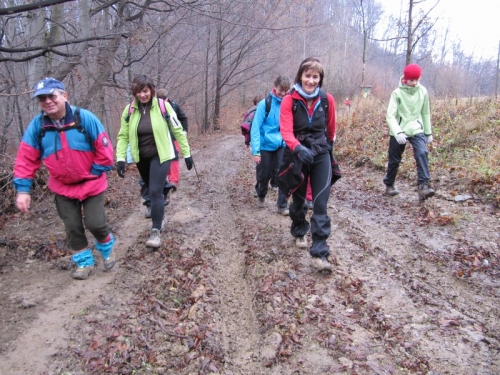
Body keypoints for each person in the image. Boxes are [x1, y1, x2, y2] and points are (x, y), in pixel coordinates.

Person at [13, 77, 116, 280]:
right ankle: (84, 262)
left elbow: (105, 152)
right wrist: (23, 190)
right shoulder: (38, 127)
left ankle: (107, 249)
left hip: (91, 184)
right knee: (72, 226)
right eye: (42, 98)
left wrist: (93, 172)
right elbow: (26, 158)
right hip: (62, 187)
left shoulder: (84, 118)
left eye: (52, 96)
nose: (48, 101)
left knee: (95, 223)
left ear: (64, 96)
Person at [116, 75, 193, 248]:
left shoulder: (163, 106)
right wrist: (120, 158)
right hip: (141, 157)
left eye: (145, 91)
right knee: (152, 189)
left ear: (152, 90)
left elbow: (178, 129)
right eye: (139, 92)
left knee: (155, 190)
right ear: (134, 93)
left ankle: (156, 231)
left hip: (161, 154)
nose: (142, 95)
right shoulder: (129, 111)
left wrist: (187, 154)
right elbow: (122, 136)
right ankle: (163, 195)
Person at [280, 57, 336, 272]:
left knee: (320, 204)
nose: (311, 81)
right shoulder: (289, 100)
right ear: (300, 76)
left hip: (321, 153)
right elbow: (285, 130)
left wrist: (328, 148)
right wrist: (297, 147)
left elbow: (331, 128)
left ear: (320, 79)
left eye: (315, 77)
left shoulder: (326, 99)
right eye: (307, 76)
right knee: (299, 202)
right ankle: (299, 228)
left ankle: (320, 253)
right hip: (297, 153)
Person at [383, 63, 435, 201]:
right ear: (405, 79)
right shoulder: (397, 93)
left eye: (417, 79)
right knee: (394, 159)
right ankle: (389, 185)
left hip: (417, 129)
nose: (415, 83)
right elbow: (390, 115)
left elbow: (425, 112)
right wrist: (397, 132)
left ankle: (423, 186)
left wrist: (428, 133)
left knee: (422, 152)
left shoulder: (423, 91)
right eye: (412, 80)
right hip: (399, 130)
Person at [139, 88, 187, 217]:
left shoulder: (173, 106)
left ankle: (171, 183)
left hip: (170, 140)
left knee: (174, 160)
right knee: (146, 180)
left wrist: (184, 132)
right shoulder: (140, 108)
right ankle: (159, 193)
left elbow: (182, 119)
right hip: (147, 149)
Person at [251, 76, 291, 216]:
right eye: (281, 90)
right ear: (275, 87)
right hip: (265, 145)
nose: (283, 93)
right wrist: (255, 151)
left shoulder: (289, 102)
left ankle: (282, 205)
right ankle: (261, 194)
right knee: (264, 174)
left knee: (283, 174)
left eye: (286, 91)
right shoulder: (264, 104)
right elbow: (255, 127)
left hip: (282, 144)